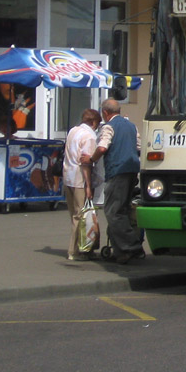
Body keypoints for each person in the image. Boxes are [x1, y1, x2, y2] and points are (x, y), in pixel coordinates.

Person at [83, 98, 144, 264]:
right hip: (132, 170)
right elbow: (138, 148)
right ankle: (121, 251)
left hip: (117, 171)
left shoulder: (108, 127)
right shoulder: (131, 126)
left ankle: (131, 247)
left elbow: (102, 147)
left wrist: (91, 159)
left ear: (105, 113)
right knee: (122, 210)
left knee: (113, 212)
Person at [63, 109, 101, 261]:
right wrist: (88, 185)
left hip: (68, 176)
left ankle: (79, 248)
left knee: (74, 215)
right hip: (79, 179)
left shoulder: (73, 130)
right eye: (97, 124)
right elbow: (86, 163)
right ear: (93, 122)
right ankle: (75, 251)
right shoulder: (90, 136)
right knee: (81, 216)